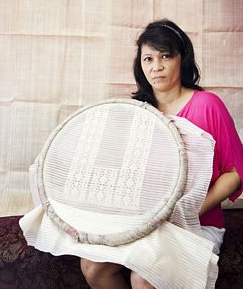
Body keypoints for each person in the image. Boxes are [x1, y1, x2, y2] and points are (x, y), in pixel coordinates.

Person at [80, 19, 243, 289]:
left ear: (182, 58)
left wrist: (190, 210)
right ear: (140, 65)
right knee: (93, 267)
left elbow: (236, 171)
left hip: (197, 223)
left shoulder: (207, 105)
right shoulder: (136, 112)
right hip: (145, 221)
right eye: (148, 59)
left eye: (166, 56)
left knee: (145, 278)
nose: (156, 67)